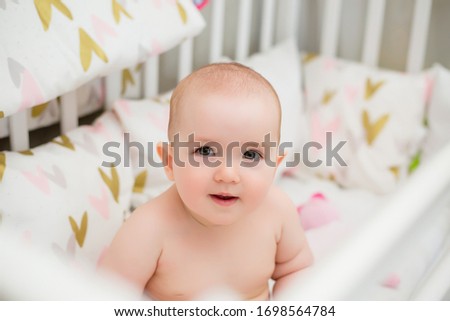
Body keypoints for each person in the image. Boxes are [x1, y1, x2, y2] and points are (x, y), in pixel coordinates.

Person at [99, 62, 313, 300]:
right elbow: (104, 300)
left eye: (251, 155)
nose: (228, 174)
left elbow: (297, 268)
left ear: (274, 167)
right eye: (206, 151)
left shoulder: (278, 211)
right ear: (170, 162)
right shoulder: (148, 229)